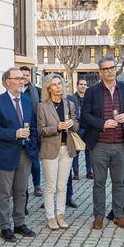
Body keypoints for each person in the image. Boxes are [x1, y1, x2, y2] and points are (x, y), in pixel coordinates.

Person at [80, 57, 124, 229]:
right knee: (99, 182)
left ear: (116, 69)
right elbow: (84, 115)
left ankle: (119, 215)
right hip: (99, 143)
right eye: (105, 69)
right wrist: (102, 123)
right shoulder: (92, 91)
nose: (109, 71)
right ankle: (98, 216)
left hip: (121, 144)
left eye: (111, 68)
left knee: (119, 182)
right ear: (100, 72)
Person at [0, 67, 38, 242]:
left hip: (25, 152)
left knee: (21, 190)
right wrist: (13, 134)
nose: (22, 81)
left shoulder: (26, 100)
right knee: (4, 193)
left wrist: (33, 144)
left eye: (23, 79)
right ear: (8, 82)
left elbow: (33, 126)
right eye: (18, 78)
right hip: (6, 153)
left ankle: (19, 223)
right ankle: (5, 227)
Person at [38, 74, 80, 230]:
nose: (58, 87)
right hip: (50, 149)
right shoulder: (42, 106)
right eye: (55, 84)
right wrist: (57, 127)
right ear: (48, 88)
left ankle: (60, 215)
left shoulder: (69, 104)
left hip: (66, 148)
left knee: (62, 185)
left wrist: (72, 124)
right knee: (51, 185)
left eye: (60, 84)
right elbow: (41, 130)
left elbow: (77, 124)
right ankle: (50, 216)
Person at [19, 68, 43, 197]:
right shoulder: (16, 91)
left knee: (35, 161)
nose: (24, 77)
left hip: (34, 131)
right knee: (21, 164)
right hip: (19, 132)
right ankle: (22, 188)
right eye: (22, 75)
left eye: (27, 75)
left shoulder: (37, 92)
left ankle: (37, 185)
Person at [70, 77, 90, 182]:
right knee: (76, 151)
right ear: (77, 86)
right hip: (78, 128)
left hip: (88, 127)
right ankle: (76, 172)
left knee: (89, 151)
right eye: (81, 84)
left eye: (85, 84)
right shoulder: (72, 98)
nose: (83, 86)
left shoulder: (89, 97)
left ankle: (89, 171)